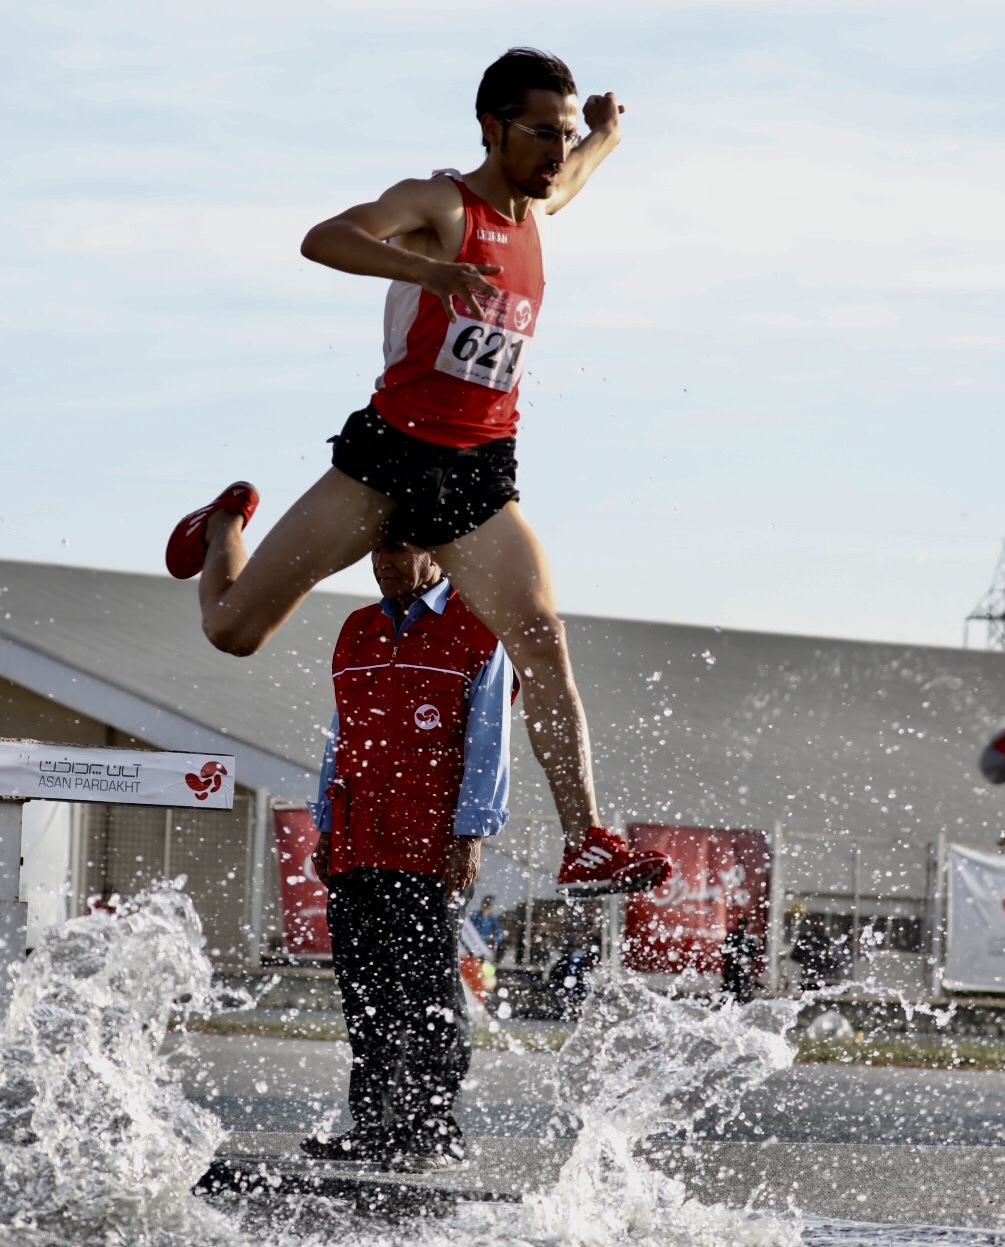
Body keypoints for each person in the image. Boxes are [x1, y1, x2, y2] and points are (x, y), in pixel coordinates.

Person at [164, 47, 672, 901]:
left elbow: (581, 167)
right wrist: (427, 269)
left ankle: (586, 839)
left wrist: (605, 132)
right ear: (490, 128)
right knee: (235, 632)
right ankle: (222, 525)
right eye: (538, 134)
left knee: (540, 636)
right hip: (388, 456)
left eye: (559, 133)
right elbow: (323, 238)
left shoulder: (543, 203)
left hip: (478, 472)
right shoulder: (439, 204)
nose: (553, 151)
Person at [302, 536, 513, 1170]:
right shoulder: (356, 630)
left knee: (426, 988)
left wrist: (470, 835)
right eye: (377, 553)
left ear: (440, 554)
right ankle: (374, 1126)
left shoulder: (479, 631)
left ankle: (431, 1130)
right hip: (356, 840)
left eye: (401, 551)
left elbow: (489, 744)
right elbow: (341, 736)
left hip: (428, 849)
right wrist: (323, 824)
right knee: (365, 993)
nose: (386, 563)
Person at [471, 893, 506, 963]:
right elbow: (470, 928)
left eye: (490, 905)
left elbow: (499, 933)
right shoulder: (475, 916)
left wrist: (494, 940)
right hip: (474, 943)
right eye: (487, 904)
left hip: (485, 944)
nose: (488, 906)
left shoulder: (492, 918)